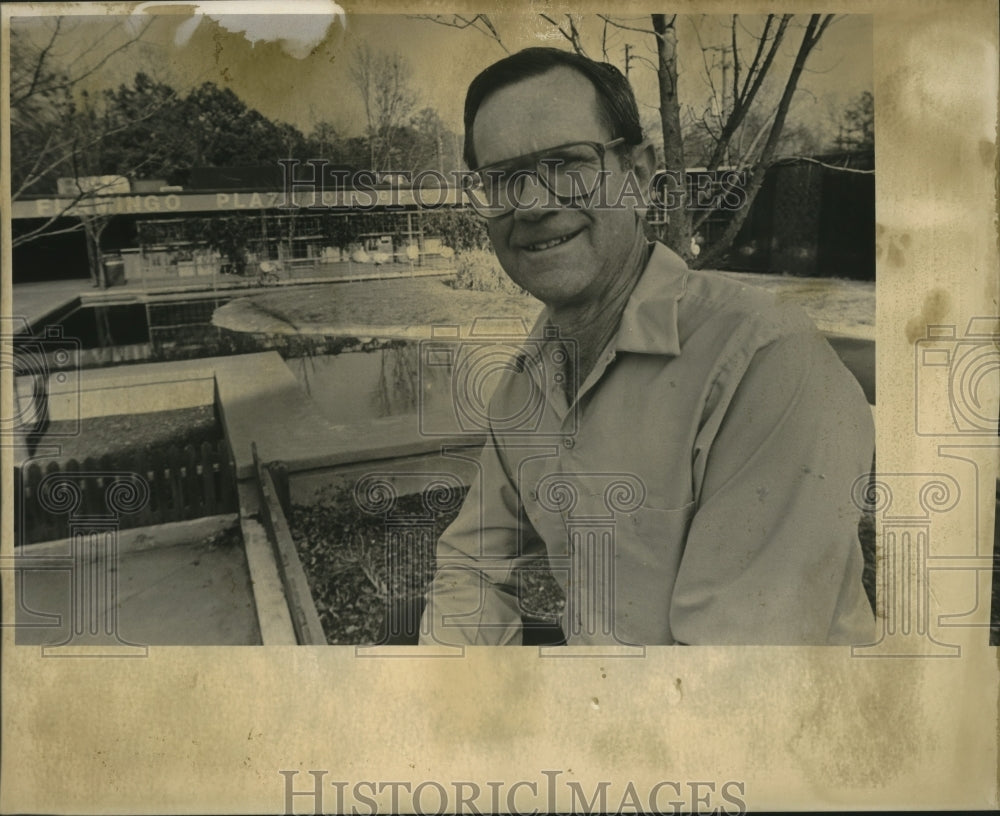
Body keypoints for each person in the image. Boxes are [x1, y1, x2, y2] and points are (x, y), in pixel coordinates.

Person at [418, 47, 875, 646]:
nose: (532, 205)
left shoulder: (765, 363)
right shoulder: (528, 382)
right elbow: (471, 568)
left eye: (567, 163)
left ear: (636, 177)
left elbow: (730, 686)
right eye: (503, 180)